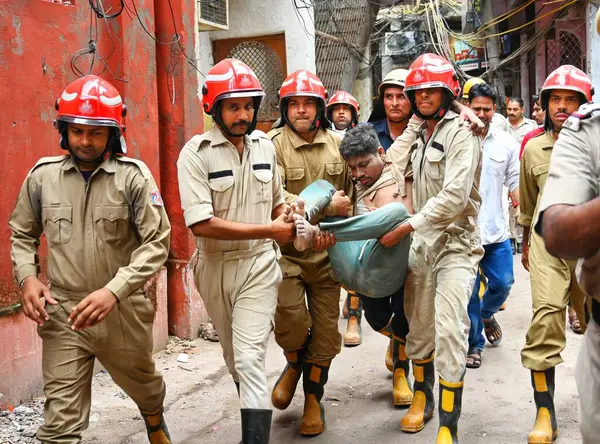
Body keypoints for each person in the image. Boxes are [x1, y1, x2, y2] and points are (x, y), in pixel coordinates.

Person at [9, 75, 172, 444]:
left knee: (143, 383)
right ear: (64, 130)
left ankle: (154, 419)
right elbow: (21, 233)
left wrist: (113, 292)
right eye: (77, 131)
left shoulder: (133, 178)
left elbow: (157, 241)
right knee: (59, 424)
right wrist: (27, 278)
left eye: (96, 132)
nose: (85, 141)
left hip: (123, 309)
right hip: (64, 311)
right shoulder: (42, 177)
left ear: (112, 134)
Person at [177, 59, 295, 444]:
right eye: (233, 106)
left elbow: (277, 202)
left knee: (249, 359)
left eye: (248, 106)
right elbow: (201, 224)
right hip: (212, 267)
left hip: (259, 263)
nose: (243, 115)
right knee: (236, 362)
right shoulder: (194, 154)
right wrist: (272, 227)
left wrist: (288, 216)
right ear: (213, 107)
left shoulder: (264, 146)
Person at [385, 53, 483, 442]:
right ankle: (421, 399)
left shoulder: (462, 131)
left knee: (450, 329)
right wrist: (412, 124)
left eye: (432, 90)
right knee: (419, 327)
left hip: (456, 244)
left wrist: (407, 225)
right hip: (422, 244)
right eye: (417, 91)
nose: (423, 97)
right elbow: (392, 163)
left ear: (447, 92)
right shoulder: (420, 133)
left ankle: (448, 425)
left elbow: (456, 196)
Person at [289, 123, 416, 408]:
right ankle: (306, 221)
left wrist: (465, 109)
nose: (358, 174)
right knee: (325, 188)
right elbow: (335, 189)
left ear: (381, 153)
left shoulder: (398, 165)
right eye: (353, 168)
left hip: (396, 263)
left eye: (364, 165)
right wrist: (334, 205)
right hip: (360, 266)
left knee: (396, 212)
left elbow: (418, 122)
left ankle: (400, 373)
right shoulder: (353, 185)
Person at [267, 69, 354, 437]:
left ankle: (313, 400)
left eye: (308, 104)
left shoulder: (338, 144)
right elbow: (274, 201)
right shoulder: (269, 146)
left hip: (326, 253)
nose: (301, 110)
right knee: (290, 323)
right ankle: (291, 364)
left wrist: (341, 217)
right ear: (284, 108)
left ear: (319, 107)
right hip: (286, 254)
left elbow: (351, 199)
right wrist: (325, 206)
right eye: (294, 104)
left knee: (325, 335)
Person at [517, 64, 592, 444]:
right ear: (545, 105)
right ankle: (545, 412)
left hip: (591, 250)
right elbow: (529, 205)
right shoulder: (532, 147)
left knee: (595, 326)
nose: (562, 106)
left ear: (585, 104)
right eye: (556, 100)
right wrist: (527, 242)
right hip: (547, 245)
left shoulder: (596, 143)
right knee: (546, 320)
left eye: (571, 100)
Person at [465, 83, 520, 369]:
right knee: (469, 293)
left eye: (487, 109)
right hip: (463, 233)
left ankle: (488, 315)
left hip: (496, 232)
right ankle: (475, 346)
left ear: (494, 110)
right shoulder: (457, 139)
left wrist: (524, 211)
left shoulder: (507, 144)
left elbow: (515, 183)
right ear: (467, 108)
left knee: (502, 283)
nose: (482, 114)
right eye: (477, 109)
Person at [367, 69, 412, 151]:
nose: (394, 103)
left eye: (401, 96)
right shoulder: (367, 134)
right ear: (382, 100)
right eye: (389, 97)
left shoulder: (423, 133)